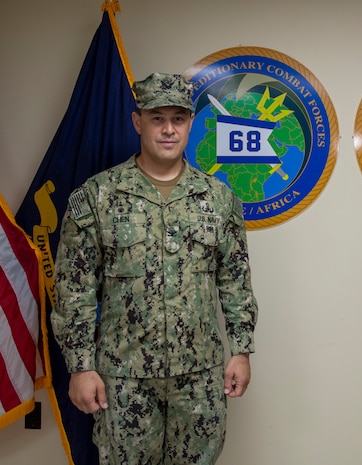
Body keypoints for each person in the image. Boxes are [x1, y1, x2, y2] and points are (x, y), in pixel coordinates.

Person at [52, 72, 259, 465]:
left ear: (190, 124)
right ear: (137, 121)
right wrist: (79, 367)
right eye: (157, 118)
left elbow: (235, 281)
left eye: (178, 119)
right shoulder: (97, 197)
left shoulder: (218, 198)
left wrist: (242, 350)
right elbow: (73, 291)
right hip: (123, 379)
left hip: (198, 376)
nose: (168, 129)